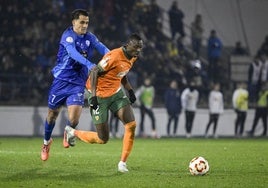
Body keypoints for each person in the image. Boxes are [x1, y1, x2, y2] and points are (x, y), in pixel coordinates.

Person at [64, 33, 144, 173]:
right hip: (99, 96)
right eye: (136, 47)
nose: (138, 51)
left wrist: (129, 91)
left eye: (140, 48)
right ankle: (72, 132)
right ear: (128, 45)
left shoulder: (133, 57)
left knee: (131, 125)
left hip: (116, 93)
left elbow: (121, 73)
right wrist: (93, 96)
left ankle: (122, 163)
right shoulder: (114, 56)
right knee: (103, 138)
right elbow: (94, 71)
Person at [40, 9, 110, 161]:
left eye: (87, 23)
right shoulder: (68, 36)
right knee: (52, 115)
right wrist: (89, 64)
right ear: (74, 22)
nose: (84, 26)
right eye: (82, 22)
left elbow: (104, 49)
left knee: (74, 119)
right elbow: (72, 53)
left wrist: (114, 58)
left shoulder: (90, 37)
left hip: (78, 82)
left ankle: (68, 131)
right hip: (61, 81)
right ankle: (46, 142)